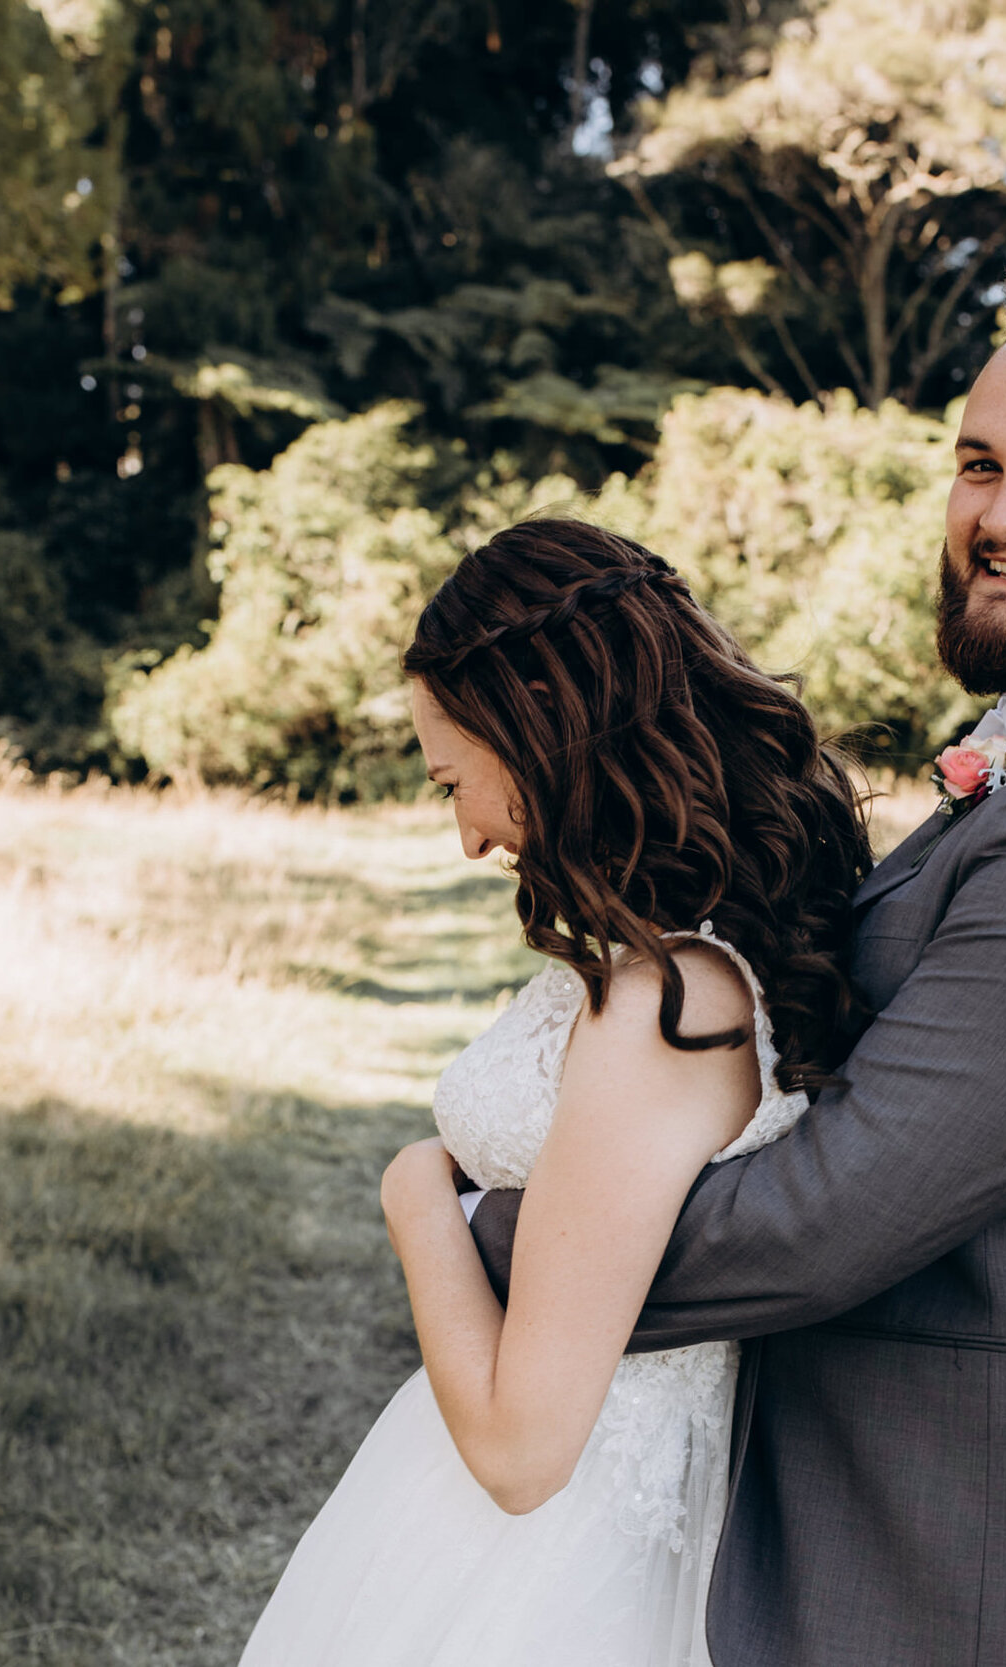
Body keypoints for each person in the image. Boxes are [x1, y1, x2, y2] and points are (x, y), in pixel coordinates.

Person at [474, 259, 1006, 1666]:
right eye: (978, 463)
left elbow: (828, 1215)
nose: (1003, 513)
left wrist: (499, 1231)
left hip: (993, 1583)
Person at [236, 517, 873, 1667]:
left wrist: (416, 1195)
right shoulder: (671, 964)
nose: (469, 837)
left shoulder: (670, 1007)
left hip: (553, 1562)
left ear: (542, 723)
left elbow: (525, 1447)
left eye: (453, 783)